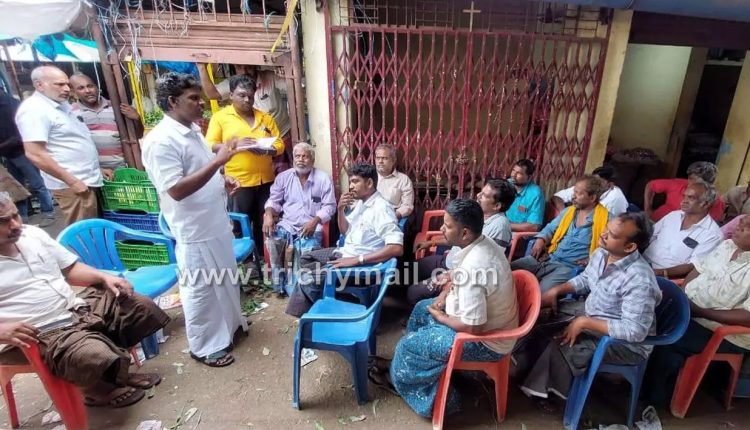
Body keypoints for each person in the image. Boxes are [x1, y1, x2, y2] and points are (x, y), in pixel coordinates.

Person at [0, 192, 169, 408]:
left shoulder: (31, 234)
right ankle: (97, 389)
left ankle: (113, 373)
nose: (15, 225)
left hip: (74, 308)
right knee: (91, 352)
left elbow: (70, 269)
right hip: (37, 333)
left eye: (15, 215)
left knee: (136, 305)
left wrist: (105, 278)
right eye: (3, 221)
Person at [370, 199, 518, 418]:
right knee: (422, 308)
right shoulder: (479, 243)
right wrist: (443, 296)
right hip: (480, 322)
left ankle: (415, 388)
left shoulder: (475, 266)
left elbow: (474, 327)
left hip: (485, 343)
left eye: (447, 226)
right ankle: (404, 365)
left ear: (465, 232)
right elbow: (460, 277)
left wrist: (440, 316)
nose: (441, 229)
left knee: (408, 344)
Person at [142, 73, 247, 367]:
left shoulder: (191, 130)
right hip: (194, 229)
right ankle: (204, 346)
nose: (201, 103)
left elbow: (199, 169)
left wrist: (222, 179)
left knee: (225, 279)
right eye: (193, 98)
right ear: (173, 101)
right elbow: (175, 189)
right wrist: (218, 162)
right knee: (201, 289)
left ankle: (230, 328)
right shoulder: (160, 141)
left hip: (214, 221)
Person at [517, 212, 660, 408]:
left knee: (565, 342)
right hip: (593, 311)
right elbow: (586, 280)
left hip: (626, 344)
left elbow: (634, 331)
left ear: (630, 247)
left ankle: (547, 394)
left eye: (612, 235)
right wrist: (558, 290)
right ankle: (521, 368)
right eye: (606, 228)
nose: (603, 234)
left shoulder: (640, 279)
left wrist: (585, 322)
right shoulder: (602, 253)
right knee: (540, 318)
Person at [643, 215, 750, 408]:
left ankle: (653, 399)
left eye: (747, 227)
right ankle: (639, 382)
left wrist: (701, 312)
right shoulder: (727, 246)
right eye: (741, 222)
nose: (738, 227)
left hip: (721, 329)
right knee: (646, 318)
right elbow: (698, 270)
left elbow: (748, 317)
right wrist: (683, 298)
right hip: (692, 310)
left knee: (669, 338)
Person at [285, 163, 404, 317]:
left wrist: (356, 260)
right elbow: (345, 231)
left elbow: (396, 248)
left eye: (355, 181)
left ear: (369, 183)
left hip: (361, 267)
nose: (351, 186)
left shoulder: (381, 209)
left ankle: (314, 314)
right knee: (306, 258)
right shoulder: (362, 203)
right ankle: (327, 298)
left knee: (307, 278)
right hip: (345, 253)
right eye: (350, 182)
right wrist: (340, 210)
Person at [206, 74, 284, 276]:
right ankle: (245, 262)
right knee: (240, 222)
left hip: (265, 179)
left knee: (263, 220)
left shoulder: (264, 117)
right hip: (238, 181)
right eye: (242, 95)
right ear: (231, 94)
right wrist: (236, 145)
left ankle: (262, 259)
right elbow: (209, 144)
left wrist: (266, 150)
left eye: (250, 95)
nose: (247, 100)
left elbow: (279, 144)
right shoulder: (221, 118)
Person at [14, 66, 104, 226]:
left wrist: (96, 169)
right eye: (60, 84)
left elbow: (71, 142)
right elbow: (35, 153)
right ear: (39, 85)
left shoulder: (60, 106)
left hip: (84, 179)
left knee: (92, 227)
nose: (67, 89)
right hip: (73, 184)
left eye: (67, 84)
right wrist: (72, 181)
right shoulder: (34, 110)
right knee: (83, 231)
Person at [408, 179, 515, 305]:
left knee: (413, 293)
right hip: (448, 260)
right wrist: (431, 243)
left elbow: (486, 266)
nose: (478, 196)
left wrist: (451, 281)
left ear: (497, 206)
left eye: (484, 195)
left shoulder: (500, 227)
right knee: (410, 269)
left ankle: (415, 311)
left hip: (460, 273)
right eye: (481, 192)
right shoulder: (478, 214)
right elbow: (455, 237)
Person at [511, 175, 611, 292]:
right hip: (548, 257)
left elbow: (610, 249)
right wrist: (540, 240)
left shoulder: (607, 220)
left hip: (568, 267)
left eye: (579, 193)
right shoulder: (569, 212)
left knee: (540, 292)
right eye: (574, 192)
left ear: (592, 197)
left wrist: (592, 260)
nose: (573, 196)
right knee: (506, 270)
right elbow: (550, 228)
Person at [263, 142, 336, 295]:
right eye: (297, 156)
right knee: (273, 240)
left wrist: (314, 221)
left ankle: (301, 290)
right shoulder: (284, 177)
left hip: (311, 225)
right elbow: (273, 201)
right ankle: (279, 285)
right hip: (287, 224)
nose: (301, 159)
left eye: (305, 156)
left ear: (312, 160)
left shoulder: (323, 178)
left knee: (308, 253)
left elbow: (329, 206)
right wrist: (268, 215)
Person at [197, 64, 293, 173]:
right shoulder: (221, 116)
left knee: (284, 177)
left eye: (248, 67)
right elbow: (213, 94)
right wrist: (201, 67)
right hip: (242, 168)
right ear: (231, 95)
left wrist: (287, 74)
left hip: (281, 137)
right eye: (239, 67)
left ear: (255, 66)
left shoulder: (266, 116)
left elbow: (295, 87)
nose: (244, 71)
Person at [643, 181, 723, 280]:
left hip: (665, 277)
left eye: (691, 198)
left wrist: (659, 273)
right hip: (643, 262)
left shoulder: (712, 234)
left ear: (705, 204)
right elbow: (650, 235)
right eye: (684, 196)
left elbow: (693, 266)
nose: (684, 201)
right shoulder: (674, 215)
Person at [0, 89, 55, 226]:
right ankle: (22, 216)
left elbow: (20, 135)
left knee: (37, 183)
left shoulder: (12, 106)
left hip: (22, 151)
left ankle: (48, 212)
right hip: (9, 153)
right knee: (17, 188)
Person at [69, 73, 144, 170]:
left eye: (90, 86)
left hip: (123, 167)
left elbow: (138, 135)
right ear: (74, 93)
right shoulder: (71, 113)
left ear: (97, 88)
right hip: (94, 170)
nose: (87, 91)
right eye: (81, 88)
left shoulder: (116, 107)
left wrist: (137, 119)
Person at [644, 161, 725, 222]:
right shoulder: (678, 184)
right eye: (691, 179)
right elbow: (650, 185)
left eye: (702, 183)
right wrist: (647, 209)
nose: (692, 183)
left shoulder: (716, 201)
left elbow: (710, 224)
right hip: (656, 222)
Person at [552, 165, 628, 216]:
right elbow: (557, 197)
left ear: (610, 184)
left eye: (598, 182)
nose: (593, 183)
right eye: (593, 180)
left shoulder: (614, 199)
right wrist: (562, 213)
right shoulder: (589, 185)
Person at [374, 143, 414, 220]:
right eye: (378, 158)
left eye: (385, 158)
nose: (380, 161)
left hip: (391, 217)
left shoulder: (403, 180)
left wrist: (393, 216)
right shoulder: (369, 177)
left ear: (393, 160)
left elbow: (407, 205)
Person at [506, 159, 545, 232]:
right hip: (503, 227)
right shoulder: (508, 184)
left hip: (519, 234)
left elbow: (534, 226)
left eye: (519, 173)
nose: (513, 175)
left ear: (529, 177)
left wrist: (505, 225)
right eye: (513, 171)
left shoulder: (535, 194)